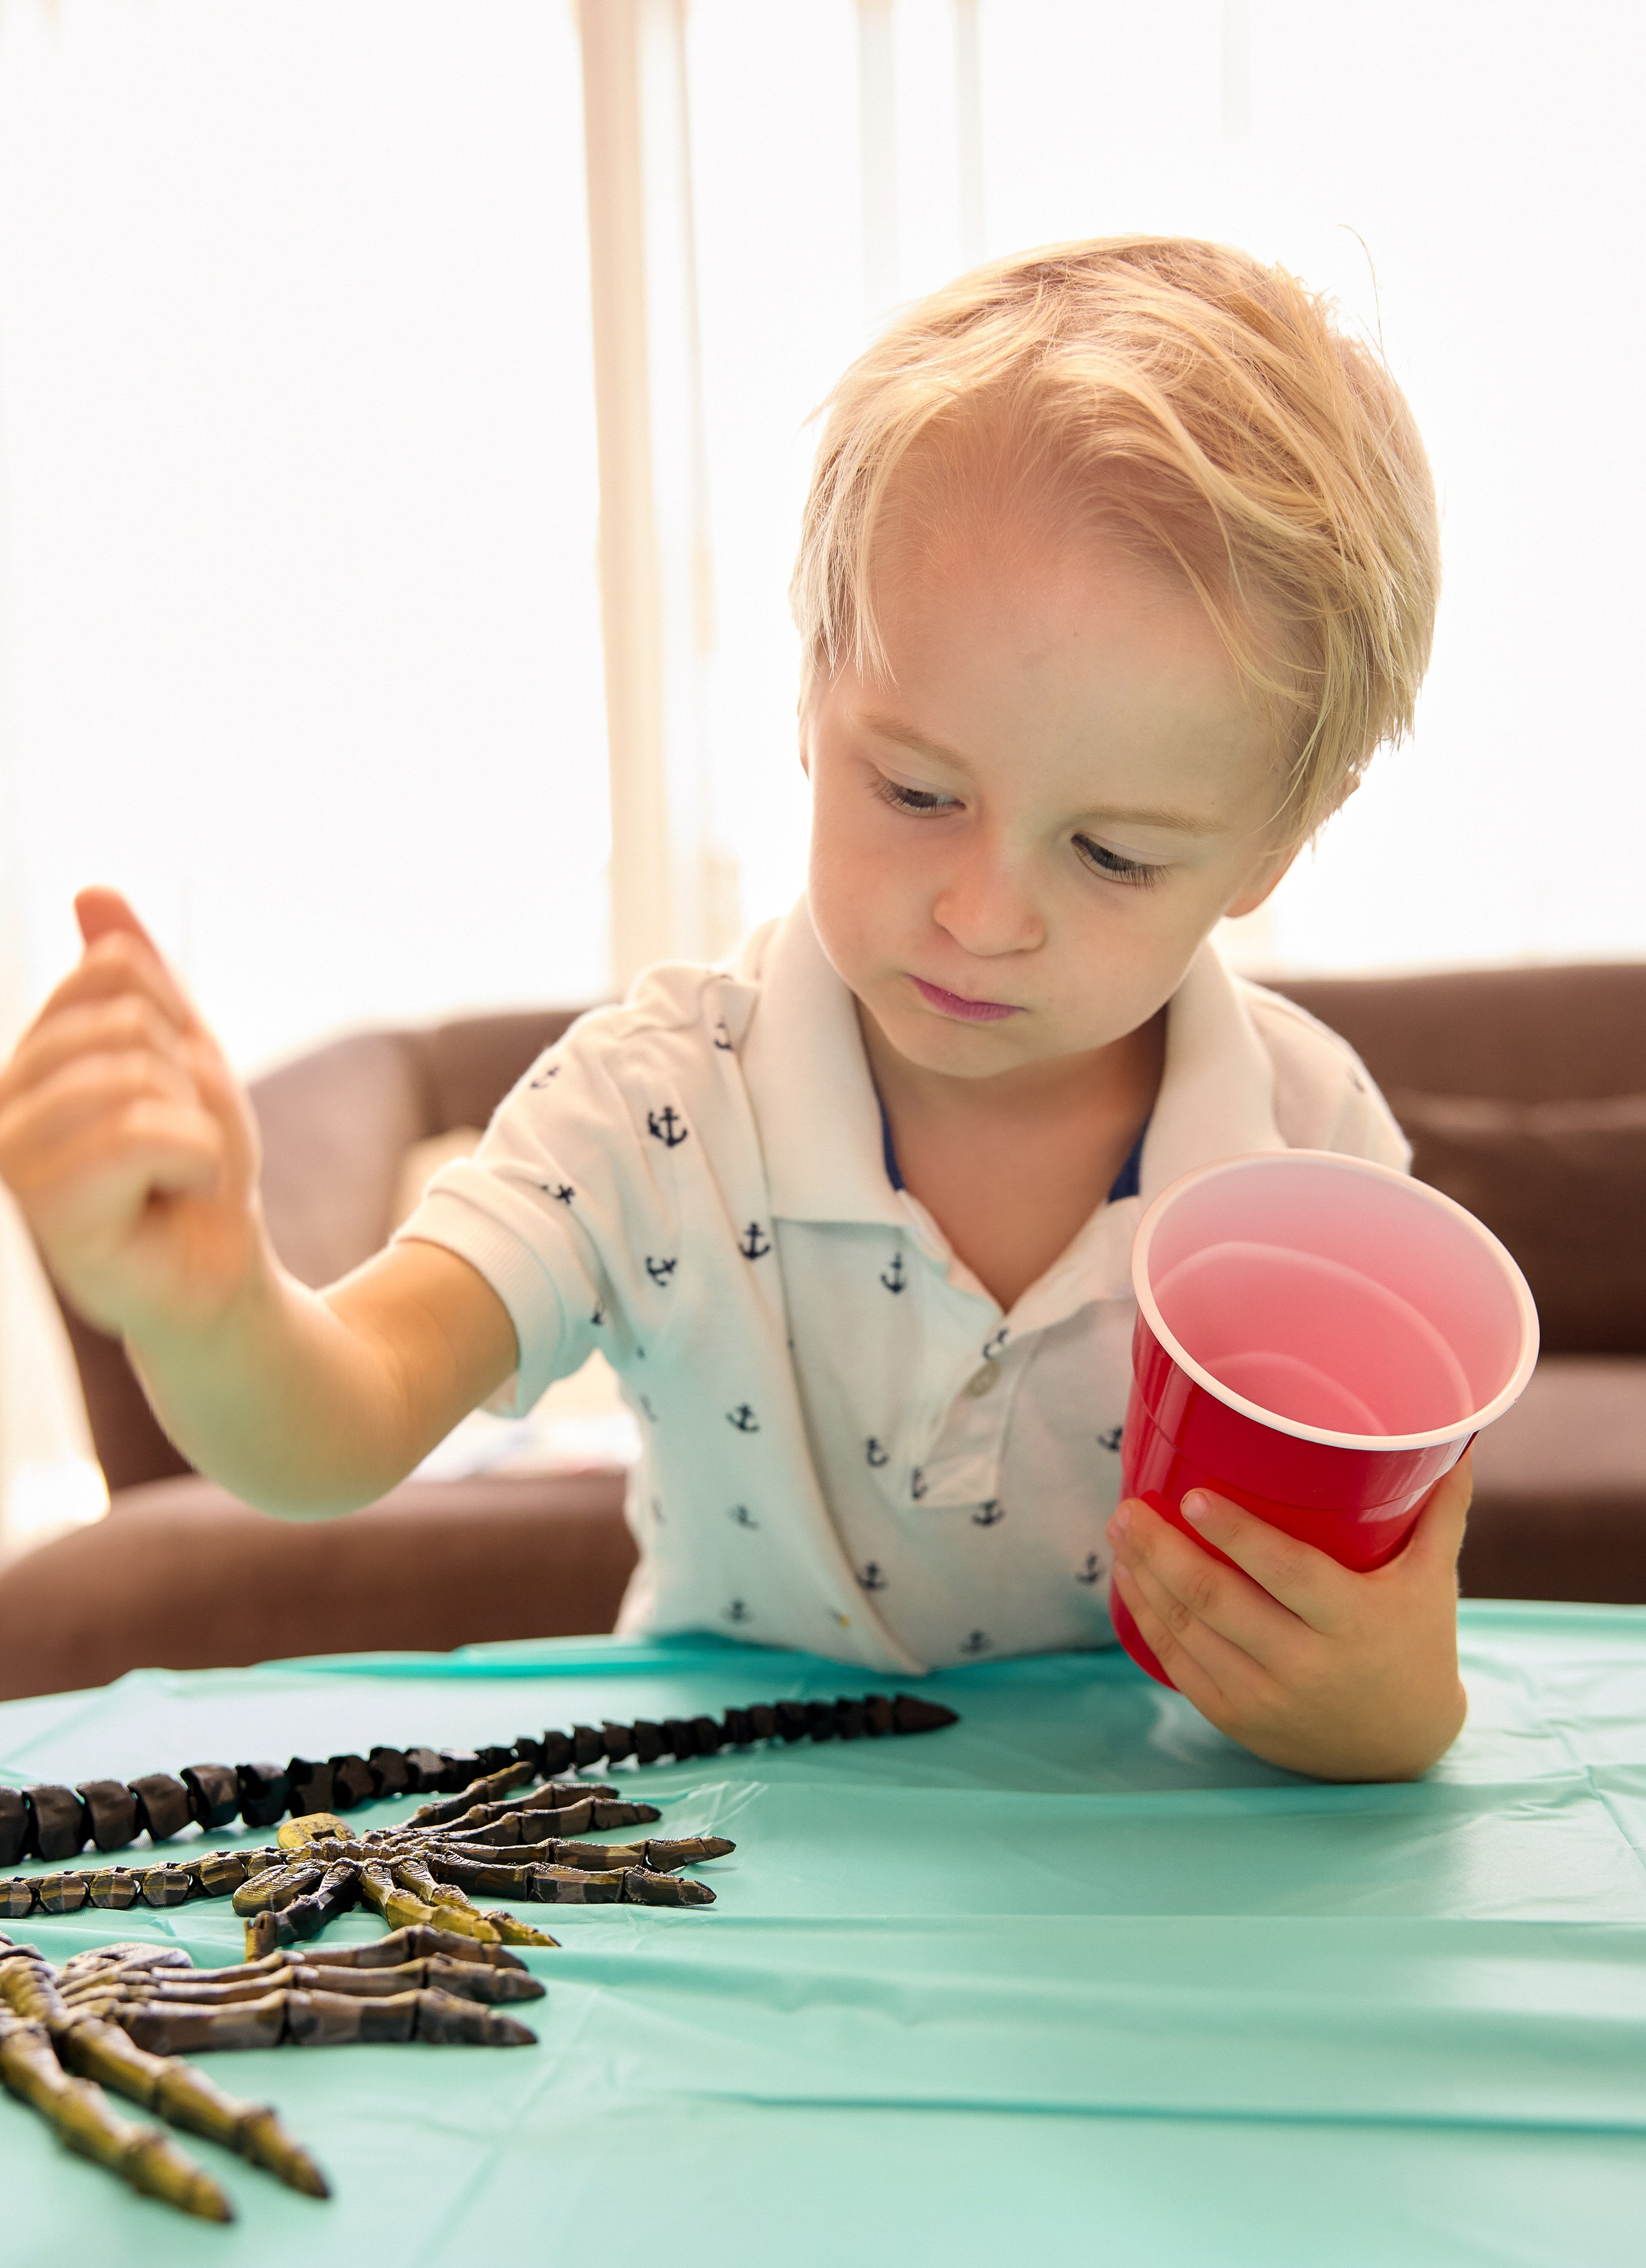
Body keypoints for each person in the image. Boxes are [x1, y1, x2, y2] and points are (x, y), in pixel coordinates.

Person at [0, 236, 1468, 1783]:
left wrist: (1390, 1711)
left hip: (1139, 1885)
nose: (980, 916)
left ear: (1273, 847)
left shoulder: (1315, 1156)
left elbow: (1391, 1636)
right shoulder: (652, 1109)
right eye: (915, 792)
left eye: (1110, 854)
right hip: (729, 1855)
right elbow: (341, 1419)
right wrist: (216, 1309)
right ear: (808, 694)